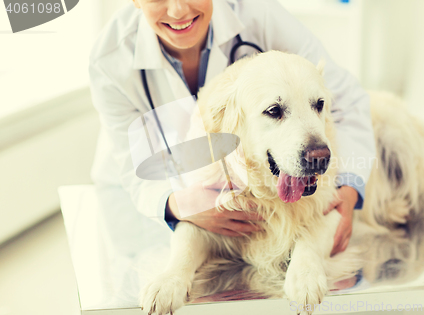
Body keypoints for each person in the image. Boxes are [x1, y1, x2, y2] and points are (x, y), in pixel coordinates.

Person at [89, 0, 376, 257]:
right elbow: (133, 165)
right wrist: (177, 205)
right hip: (141, 196)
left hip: (257, 198)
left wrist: (348, 188)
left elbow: (344, 100)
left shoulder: (259, 15)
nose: (178, 10)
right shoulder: (109, 59)